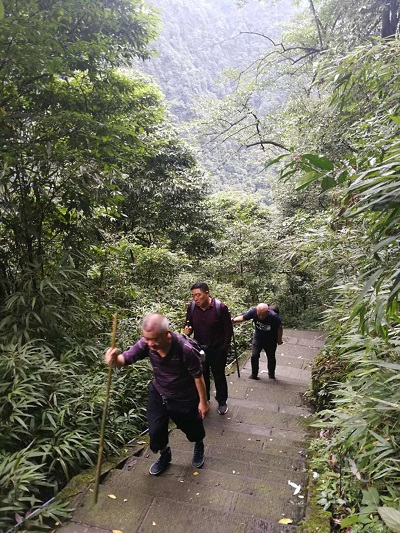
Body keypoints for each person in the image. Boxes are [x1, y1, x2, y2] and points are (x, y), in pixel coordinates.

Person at [105, 313, 209, 476]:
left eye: (154, 339)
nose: (150, 344)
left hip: (183, 396)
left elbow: (198, 376)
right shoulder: (147, 343)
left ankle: (199, 444)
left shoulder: (185, 349)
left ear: (167, 334)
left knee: (192, 427)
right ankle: (164, 454)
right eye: (147, 339)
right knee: (155, 432)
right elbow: (124, 360)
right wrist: (114, 359)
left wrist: (203, 402)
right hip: (159, 393)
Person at [184, 282, 233, 415]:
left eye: (198, 295)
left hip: (217, 349)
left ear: (207, 293)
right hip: (199, 349)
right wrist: (187, 331)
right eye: (193, 296)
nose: (196, 299)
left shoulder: (220, 307)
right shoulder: (192, 307)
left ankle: (222, 402)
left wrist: (224, 347)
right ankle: (204, 401)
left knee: (219, 376)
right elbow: (188, 325)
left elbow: (228, 330)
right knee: (201, 375)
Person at [232, 303, 283, 380]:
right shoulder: (254, 311)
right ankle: (254, 374)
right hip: (258, 338)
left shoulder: (274, 317)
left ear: (267, 312)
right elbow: (243, 317)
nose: (261, 317)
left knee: (271, 357)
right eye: (259, 314)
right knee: (254, 356)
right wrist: (233, 320)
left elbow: (279, 328)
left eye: (263, 315)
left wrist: (279, 339)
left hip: (271, 340)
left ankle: (271, 374)